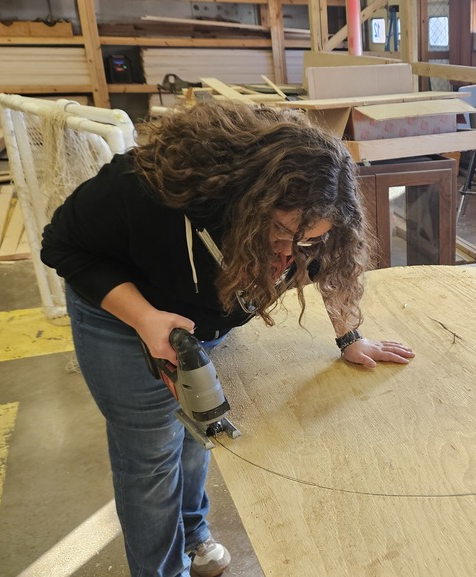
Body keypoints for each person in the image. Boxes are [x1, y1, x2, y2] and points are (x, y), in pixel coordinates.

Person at [41, 102, 415, 576]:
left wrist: (349, 337)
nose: (289, 252)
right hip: (121, 316)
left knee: (196, 431)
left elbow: (332, 264)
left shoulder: (312, 225)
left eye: (306, 240)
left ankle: (193, 533)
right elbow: (61, 245)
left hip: (196, 318)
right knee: (152, 461)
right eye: (280, 231)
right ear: (244, 198)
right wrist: (144, 318)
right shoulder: (146, 187)